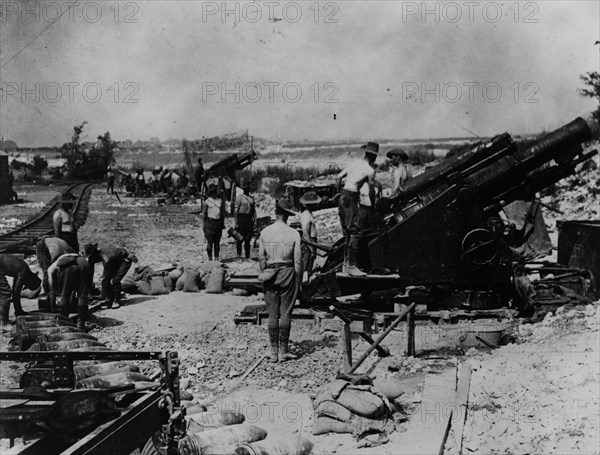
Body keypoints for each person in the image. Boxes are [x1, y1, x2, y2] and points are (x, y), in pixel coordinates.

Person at [258, 199, 302, 363]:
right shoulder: (294, 233)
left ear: (276, 214)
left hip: (270, 272)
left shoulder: (265, 232)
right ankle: (284, 352)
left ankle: (273, 352)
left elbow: (261, 259)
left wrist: (265, 274)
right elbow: (298, 261)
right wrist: (298, 280)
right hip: (288, 272)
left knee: (272, 314)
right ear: (288, 216)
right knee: (285, 313)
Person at [335, 142, 378, 276]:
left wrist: (338, 193)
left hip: (343, 197)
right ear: (374, 157)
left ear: (365, 153)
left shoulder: (354, 163)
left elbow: (338, 177)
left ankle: (345, 264)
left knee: (347, 233)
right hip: (351, 198)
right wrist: (373, 206)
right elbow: (371, 191)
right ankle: (352, 266)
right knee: (356, 232)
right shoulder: (370, 170)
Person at [85, 243, 136, 309]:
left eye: (91, 257)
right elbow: (90, 273)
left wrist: (102, 296)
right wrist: (90, 288)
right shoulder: (93, 258)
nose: (91, 259)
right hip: (115, 259)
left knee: (115, 280)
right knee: (106, 280)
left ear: (95, 255)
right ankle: (109, 299)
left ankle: (116, 300)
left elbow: (105, 279)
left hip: (125, 260)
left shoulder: (107, 259)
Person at [47, 252, 91, 329]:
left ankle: (63, 322)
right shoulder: (74, 256)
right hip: (85, 265)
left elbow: (51, 280)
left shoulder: (52, 267)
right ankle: (81, 324)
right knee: (82, 295)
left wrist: (52, 291)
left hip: (70, 269)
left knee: (65, 294)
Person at [0, 254, 41, 323]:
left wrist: (19, 311)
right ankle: (4, 321)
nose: (25, 285)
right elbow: (16, 293)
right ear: (31, 281)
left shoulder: (23, 269)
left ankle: (10, 316)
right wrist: (19, 312)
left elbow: (15, 291)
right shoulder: (24, 271)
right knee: (5, 293)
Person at [299, 191, 321, 278]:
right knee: (306, 267)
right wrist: (311, 248)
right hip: (308, 243)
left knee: (309, 266)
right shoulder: (306, 215)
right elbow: (305, 234)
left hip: (311, 242)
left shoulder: (309, 214)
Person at [203, 184, 225, 261]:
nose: (214, 193)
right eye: (212, 192)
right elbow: (204, 215)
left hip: (218, 223)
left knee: (217, 243)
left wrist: (223, 224)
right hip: (210, 223)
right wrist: (204, 225)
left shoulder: (220, 201)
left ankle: (216, 258)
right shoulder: (207, 202)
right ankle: (209, 258)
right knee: (209, 243)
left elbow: (222, 214)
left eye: (214, 191)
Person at [235, 184, 256, 260]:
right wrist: (236, 222)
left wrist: (255, 220)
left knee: (248, 238)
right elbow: (236, 211)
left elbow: (254, 210)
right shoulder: (239, 198)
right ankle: (239, 257)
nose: (247, 190)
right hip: (241, 218)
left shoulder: (251, 198)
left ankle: (247, 257)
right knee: (239, 238)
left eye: (248, 188)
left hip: (249, 218)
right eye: (245, 188)